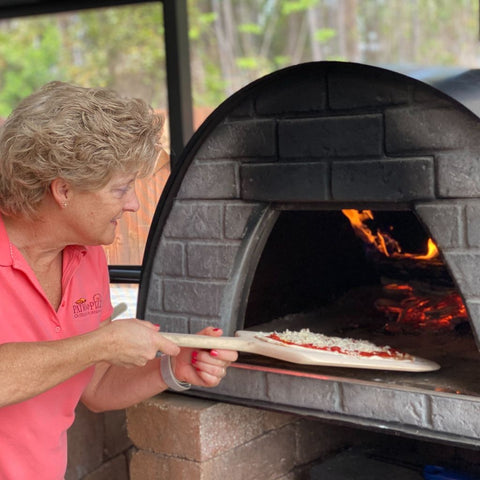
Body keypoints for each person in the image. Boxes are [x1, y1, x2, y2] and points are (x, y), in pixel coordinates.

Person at [0, 81, 238, 479]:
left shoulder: (86, 254)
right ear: (63, 190)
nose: (134, 204)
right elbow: (89, 351)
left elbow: (96, 386)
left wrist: (174, 368)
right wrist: (100, 342)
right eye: (121, 189)